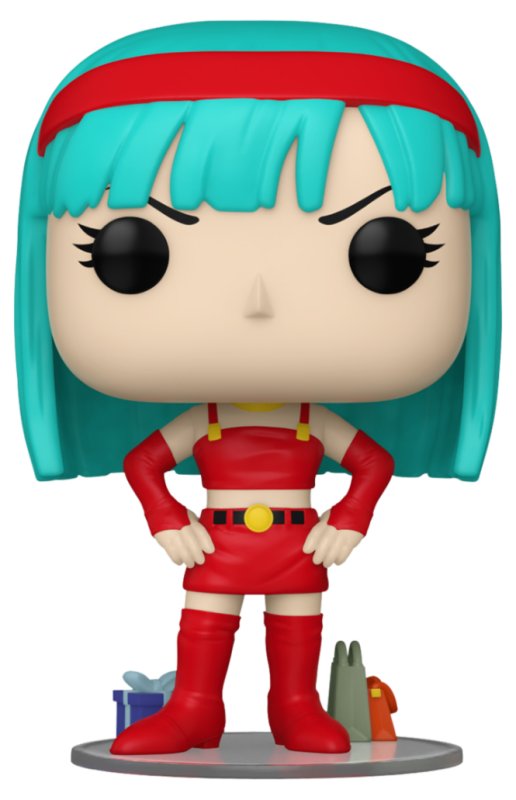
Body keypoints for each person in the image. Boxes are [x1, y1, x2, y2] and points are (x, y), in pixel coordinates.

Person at [15, 21, 500, 755]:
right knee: (204, 628)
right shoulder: (206, 418)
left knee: (298, 632)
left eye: (388, 255)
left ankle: (296, 710)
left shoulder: (311, 419)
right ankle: (194, 710)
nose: (258, 302)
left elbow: (374, 462)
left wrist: (351, 519)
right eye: (131, 254)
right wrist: (165, 518)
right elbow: (143, 462)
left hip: (299, 542)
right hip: (218, 540)